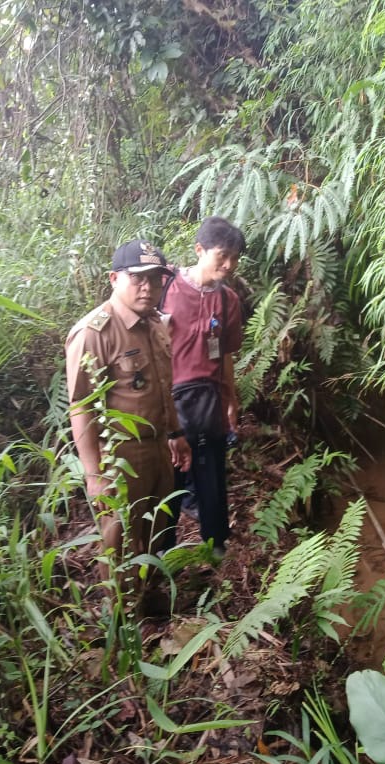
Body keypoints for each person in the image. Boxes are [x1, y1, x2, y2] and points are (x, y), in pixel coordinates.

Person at [65, 239, 192, 600]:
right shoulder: (94, 333)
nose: (148, 287)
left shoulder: (155, 325)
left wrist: (175, 433)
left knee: (157, 526)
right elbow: (81, 407)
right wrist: (93, 475)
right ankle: (121, 619)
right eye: (137, 278)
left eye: (155, 279)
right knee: (119, 537)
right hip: (119, 456)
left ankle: (150, 598)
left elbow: (163, 386)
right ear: (114, 278)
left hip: (157, 449)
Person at [161, 216, 245, 558]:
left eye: (235, 258)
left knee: (212, 472)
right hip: (168, 399)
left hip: (208, 398)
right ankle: (161, 552)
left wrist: (231, 399)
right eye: (222, 255)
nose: (229, 264)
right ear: (199, 250)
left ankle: (215, 545)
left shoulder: (228, 301)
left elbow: (224, 354)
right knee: (169, 478)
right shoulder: (165, 288)